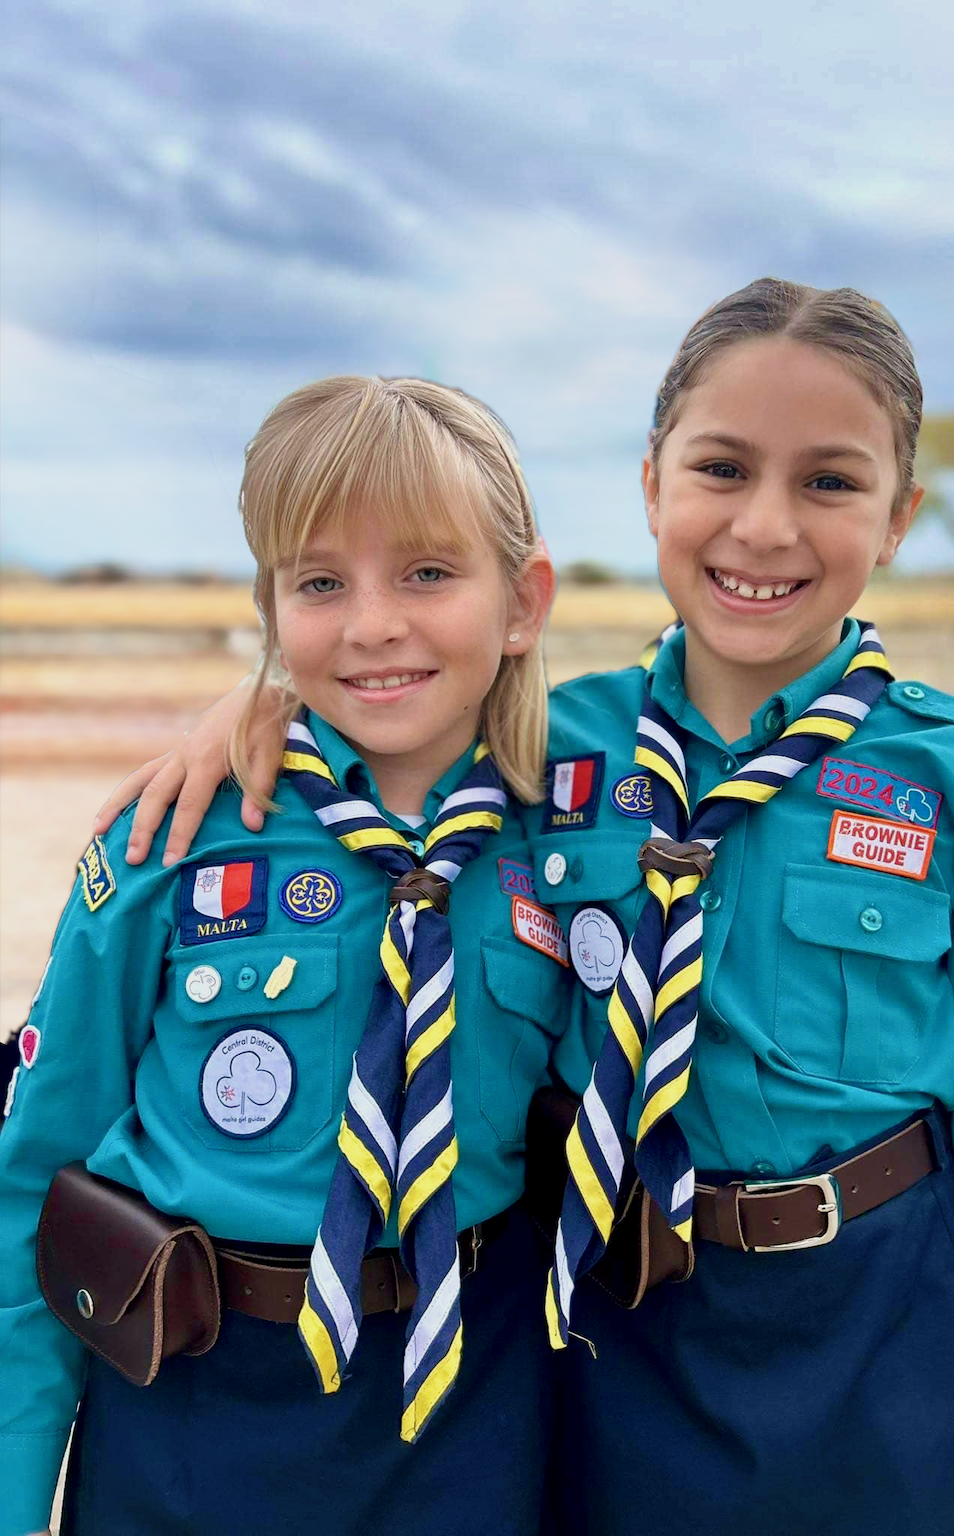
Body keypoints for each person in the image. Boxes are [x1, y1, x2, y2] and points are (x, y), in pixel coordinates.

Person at [89, 279, 954, 1536]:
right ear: (651, 487)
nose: (764, 528)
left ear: (901, 518)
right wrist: (253, 712)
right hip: (613, 1338)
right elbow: (379, 699)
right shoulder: (534, 754)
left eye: (831, 483)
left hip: (876, 1346)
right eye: (723, 468)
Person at [0, 375, 563, 1536]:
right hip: (194, 1415)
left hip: (474, 1411)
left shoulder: (579, 835)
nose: (370, 623)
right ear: (270, 608)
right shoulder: (169, 839)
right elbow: (36, 1173)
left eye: (426, 572)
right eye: (319, 582)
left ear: (523, 601)